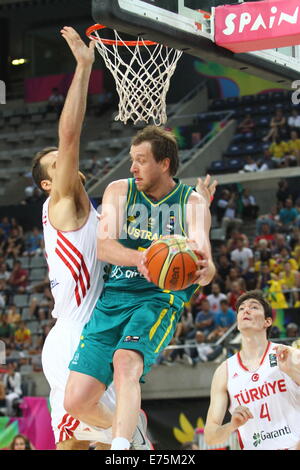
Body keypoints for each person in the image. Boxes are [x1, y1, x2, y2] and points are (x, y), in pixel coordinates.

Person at [65, 126, 216, 450]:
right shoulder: (119, 191)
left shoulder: (191, 202)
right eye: (132, 160)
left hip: (158, 299)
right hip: (114, 297)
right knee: (76, 401)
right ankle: (130, 429)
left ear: (164, 164)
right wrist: (141, 258)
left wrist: (204, 270)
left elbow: (206, 262)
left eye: (141, 160)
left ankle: (121, 449)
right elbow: (104, 246)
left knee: (125, 361)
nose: (132, 167)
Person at [31, 26, 117, 451]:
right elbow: (69, 136)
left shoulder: (87, 208)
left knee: (86, 445)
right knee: (110, 433)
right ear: (49, 185)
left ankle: (128, 430)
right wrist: (83, 67)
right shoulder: (63, 203)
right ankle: (132, 430)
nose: (64, 162)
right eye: (56, 164)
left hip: (93, 333)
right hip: (75, 337)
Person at [204, 290, 300, 450]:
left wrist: (292, 372)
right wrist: (231, 425)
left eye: (253, 307)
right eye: (241, 309)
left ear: (267, 321)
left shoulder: (289, 355)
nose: (246, 310)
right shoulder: (224, 371)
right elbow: (210, 437)